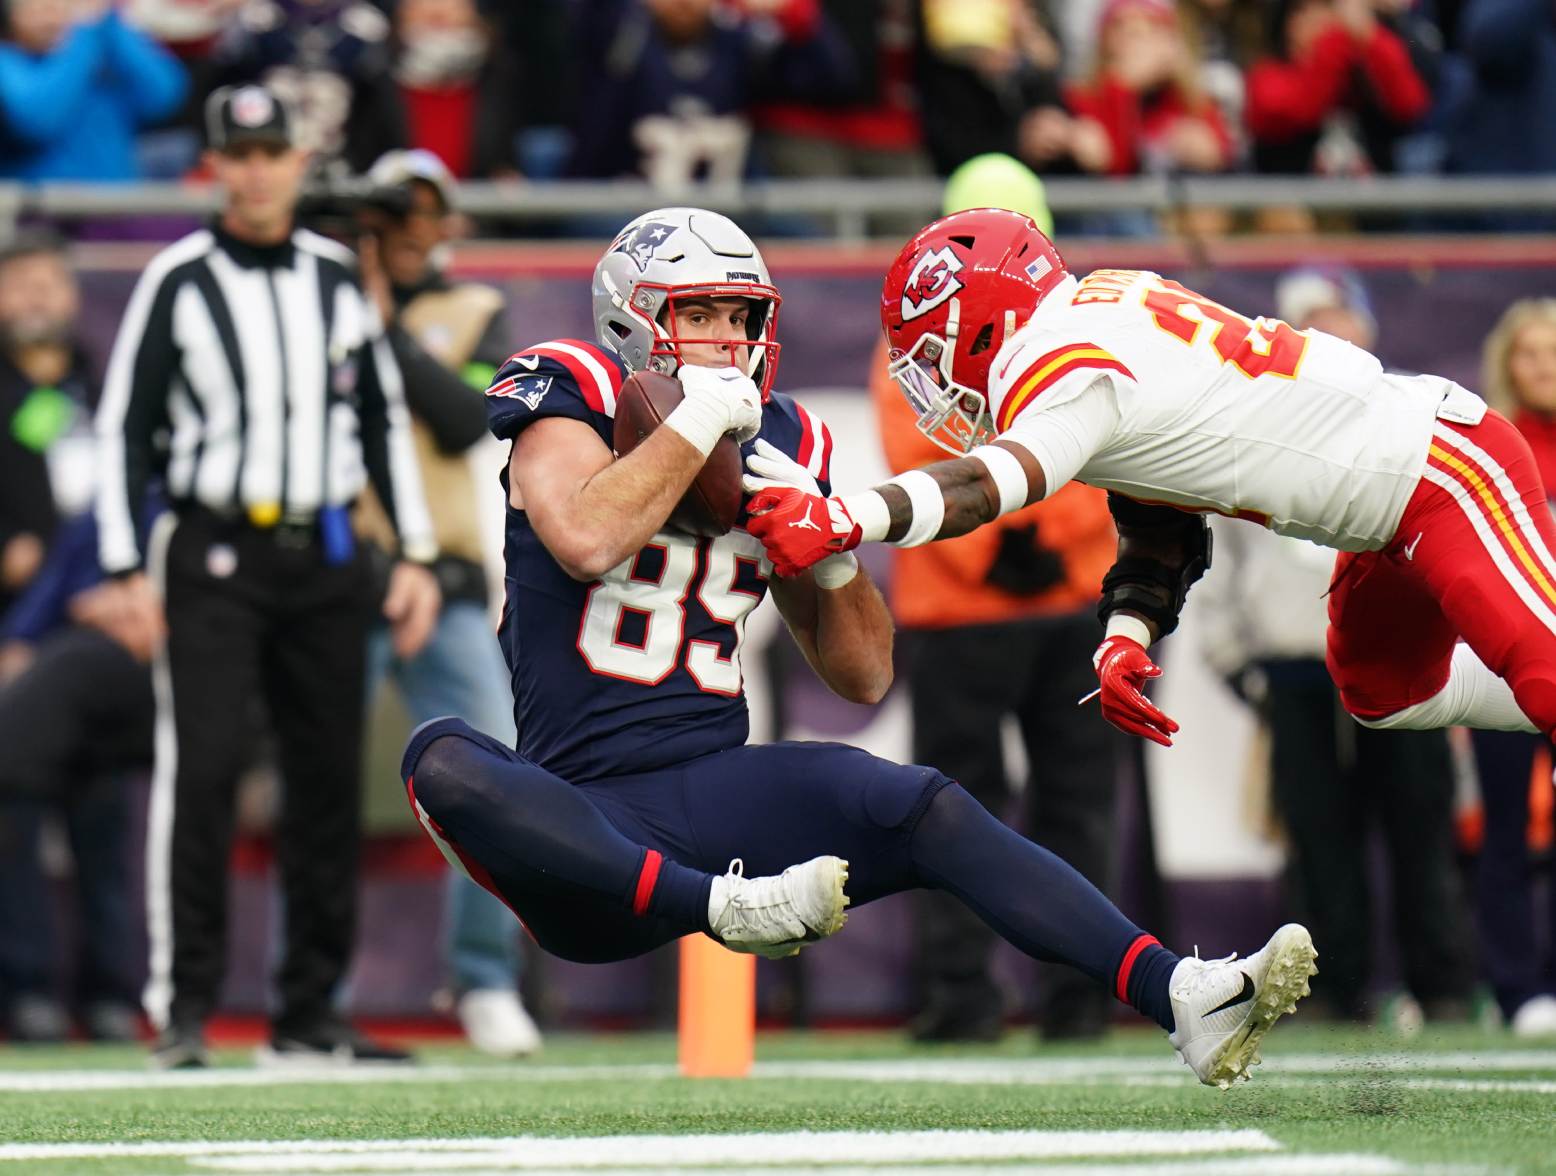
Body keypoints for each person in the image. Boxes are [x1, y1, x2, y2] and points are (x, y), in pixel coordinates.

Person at [402, 205, 1316, 1091]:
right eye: (701, 315)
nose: (728, 339)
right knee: (441, 756)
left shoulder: (784, 436)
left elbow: (864, 674)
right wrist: (693, 427)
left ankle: (1182, 995)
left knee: (922, 806)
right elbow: (584, 539)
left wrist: (828, 547)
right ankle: (718, 907)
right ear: (631, 319)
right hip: (580, 831)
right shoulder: (574, 389)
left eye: (742, 316)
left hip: (711, 790)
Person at [745, 209, 1556, 762]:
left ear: (978, 320)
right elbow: (1161, 509)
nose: (928, 381)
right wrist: (1128, 631)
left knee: (1547, 681)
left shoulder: (1060, 361)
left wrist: (845, 517)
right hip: (1381, 524)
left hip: (1443, 472)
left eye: (930, 351)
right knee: (1381, 690)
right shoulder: (1101, 307)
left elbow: (987, 486)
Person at [92, 84, 442, 1069]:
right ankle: (187, 1009)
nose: (253, 171)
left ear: (297, 161)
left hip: (326, 552)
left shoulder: (336, 278)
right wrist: (125, 562)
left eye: (269, 152)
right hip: (213, 550)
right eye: (236, 153)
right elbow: (128, 429)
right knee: (202, 772)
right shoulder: (179, 279)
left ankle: (307, 1013)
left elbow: (377, 421)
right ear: (215, 165)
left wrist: (412, 553)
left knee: (327, 779)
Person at [873, 158, 1123, 1043]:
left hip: (989, 603)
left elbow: (1101, 442)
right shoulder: (1089, 323)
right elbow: (916, 446)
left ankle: (1031, 998)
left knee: (992, 812)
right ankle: (1010, 997)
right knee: (989, 811)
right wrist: (1036, 544)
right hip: (1017, 602)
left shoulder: (913, 327)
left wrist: (1018, 543)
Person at [1195, 266, 1478, 1026]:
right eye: (1313, 322)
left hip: (1399, 660)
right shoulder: (1246, 434)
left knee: (1421, 823)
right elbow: (1219, 560)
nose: (1332, 335)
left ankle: (1443, 983)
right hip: (1296, 666)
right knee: (1318, 836)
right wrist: (1239, 667)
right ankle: (1329, 989)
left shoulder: (1412, 419)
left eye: (1341, 319)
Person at [353, 148, 539, 1056]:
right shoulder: (314, 304)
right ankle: (304, 987)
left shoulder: (474, 309)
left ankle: (483, 977)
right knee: (314, 775)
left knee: (494, 770)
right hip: (342, 571)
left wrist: (376, 326)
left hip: (455, 573)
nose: (412, 226)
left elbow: (471, 417)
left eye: (427, 209)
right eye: (394, 211)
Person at [1466, 299, 1556, 1037]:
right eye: (1531, 353)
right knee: (1505, 825)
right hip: (1503, 663)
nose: (1545, 367)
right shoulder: (1495, 447)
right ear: (1509, 362)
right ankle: (1516, 988)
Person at [0, 0, 187, 182]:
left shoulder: (104, 52)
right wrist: (86, 34)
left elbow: (165, 97)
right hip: (40, 208)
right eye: (34, 5)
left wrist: (109, 22)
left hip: (120, 205)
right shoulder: (8, 60)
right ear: (12, 15)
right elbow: (37, 119)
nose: (50, 14)